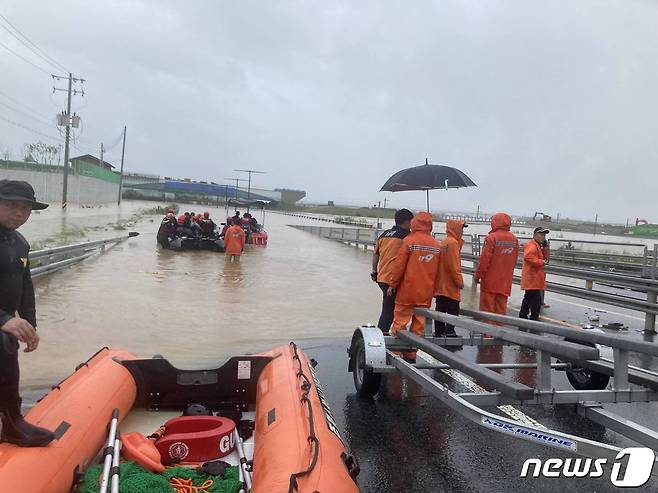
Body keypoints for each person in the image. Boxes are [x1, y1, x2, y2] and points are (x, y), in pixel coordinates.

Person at [0, 180, 55, 446]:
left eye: (26, 208)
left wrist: (29, 324)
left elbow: (25, 285)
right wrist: (3, 320)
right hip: (3, 322)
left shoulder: (20, 243)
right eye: (11, 205)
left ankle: (12, 423)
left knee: (9, 373)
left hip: (6, 326)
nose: (20, 213)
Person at [387, 211, 442, 362]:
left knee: (400, 323)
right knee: (418, 326)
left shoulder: (409, 241)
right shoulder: (437, 245)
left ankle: (396, 353)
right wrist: (435, 290)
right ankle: (411, 354)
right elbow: (439, 272)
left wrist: (393, 284)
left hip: (406, 291)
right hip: (425, 293)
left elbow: (399, 266)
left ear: (414, 223)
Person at [370, 209, 413, 335]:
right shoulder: (407, 236)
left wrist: (374, 272)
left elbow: (375, 255)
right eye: (412, 221)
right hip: (395, 280)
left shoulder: (384, 235)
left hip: (382, 278)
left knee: (388, 308)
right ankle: (383, 336)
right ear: (407, 221)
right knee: (393, 311)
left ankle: (383, 334)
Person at [474, 213, 519, 319]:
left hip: (490, 282)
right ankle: (498, 332)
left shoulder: (491, 238)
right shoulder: (514, 239)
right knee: (500, 311)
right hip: (505, 283)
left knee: (487, 311)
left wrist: (477, 276)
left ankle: (487, 334)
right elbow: (514, 260)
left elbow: (484, 261)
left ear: (494, 222)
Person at [434, 220, 467, 337]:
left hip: (441, 285)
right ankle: (449, 332)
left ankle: (439, 331)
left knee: (440, 309)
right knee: (453, 310)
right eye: (461, 229)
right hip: (450, 285)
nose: (462, 232)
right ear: (456, 229)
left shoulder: (444, 242)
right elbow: (454, 266)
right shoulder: (453, 243)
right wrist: (460, 282)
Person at [519, 228, 549, 320]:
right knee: (536, 299)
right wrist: (541, 262)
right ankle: (534, 317)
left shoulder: (538, 245)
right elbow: (528, 257)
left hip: (534, 278)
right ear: (535, 235)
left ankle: (523, 315)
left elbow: (545, 258)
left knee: (528, 297)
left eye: (544, 235)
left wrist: (545, 248)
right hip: (532, 277)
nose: (543, 237)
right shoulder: (532, 245)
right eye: (541, 234)